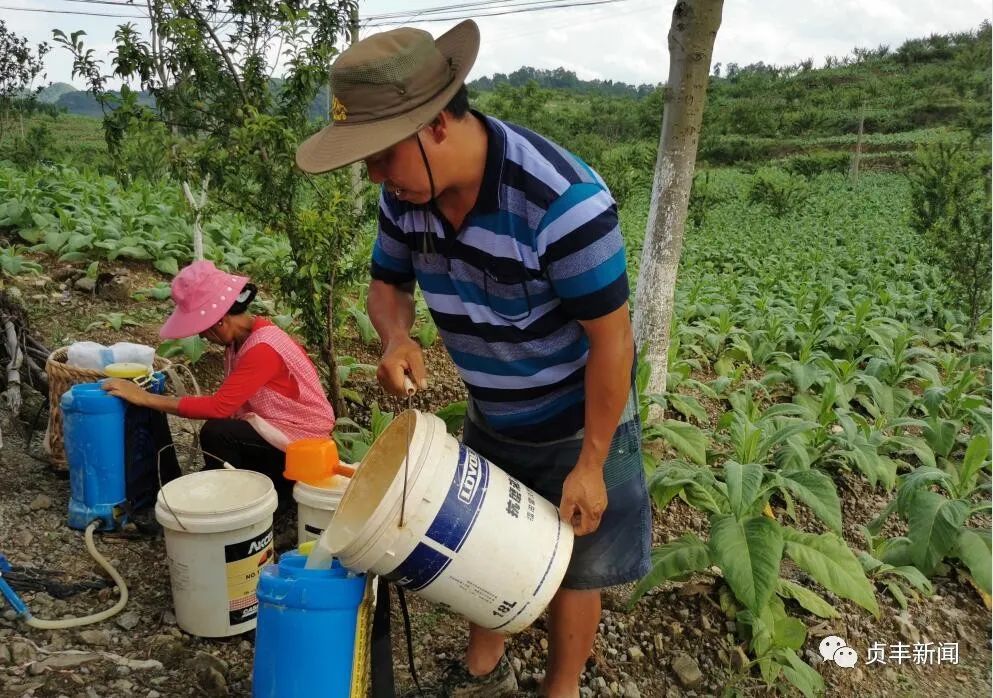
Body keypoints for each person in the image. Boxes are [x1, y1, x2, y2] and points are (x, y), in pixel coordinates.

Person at [295, 19, 650, 698]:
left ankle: (562, 687)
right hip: (494, 409)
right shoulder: (407, 196)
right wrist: (396, 338)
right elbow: (387, 285)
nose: (373, 175)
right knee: (483, 536)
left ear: (434, 125)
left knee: (576, 561)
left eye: (380, 155)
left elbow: (613, 342)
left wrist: (592, 464)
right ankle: (481, 668)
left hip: (579, 416)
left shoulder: (561, 205)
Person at [102, 260, 335, 505]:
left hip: (305, 447)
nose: (202, 336)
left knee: (218, 434)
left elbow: (218, 407)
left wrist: (145, 398)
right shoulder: (241, 340)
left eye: (203, 330)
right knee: (223, 433)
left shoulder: (263, 348)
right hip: (282, 433)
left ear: (220, 321)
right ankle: (246, 490)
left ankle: (253, 504)